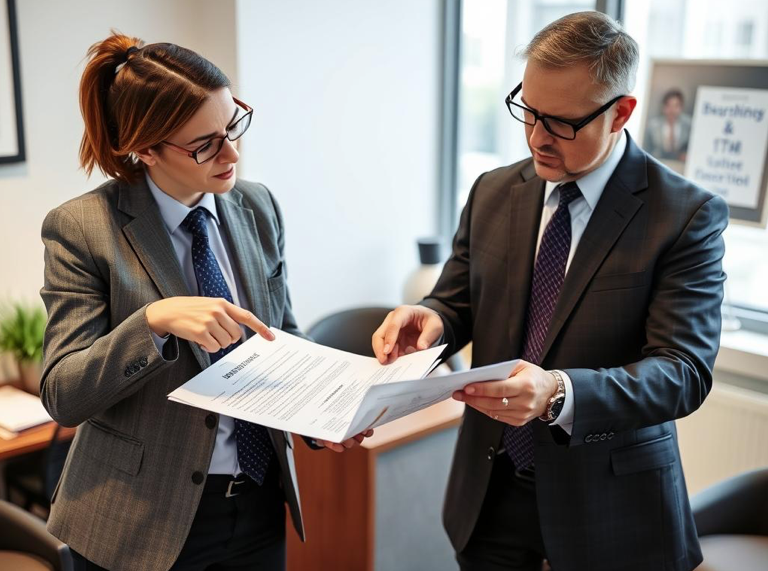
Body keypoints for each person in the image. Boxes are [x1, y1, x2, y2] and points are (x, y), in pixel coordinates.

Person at [373, 12, 727, 571]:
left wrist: (559, 393)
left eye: (561, 123)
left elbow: (683, 371)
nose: (537, 137)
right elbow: (458, 299)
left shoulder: (684, 216)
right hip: (488, 496)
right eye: (528, 111)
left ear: (621, 113)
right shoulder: (494, 190)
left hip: (612, 511)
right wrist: (431, 317)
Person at [40, 33, 370, 571]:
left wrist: (323, 412)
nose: (232, 154)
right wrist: (152, 321)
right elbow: (62, 392)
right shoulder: (83, 228)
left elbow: (281, 331)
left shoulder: (256, 206)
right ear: (143, 148)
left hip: (258, 502)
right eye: (205, 144)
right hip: (140, 519)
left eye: (232, 125)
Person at [644, 88, 693, 162]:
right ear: (663, 107)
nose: (672, 110)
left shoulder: (689, 125)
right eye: (669, 105)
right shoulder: (653, 126)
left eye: (676, 106)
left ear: (681, 107)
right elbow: (646, 149)